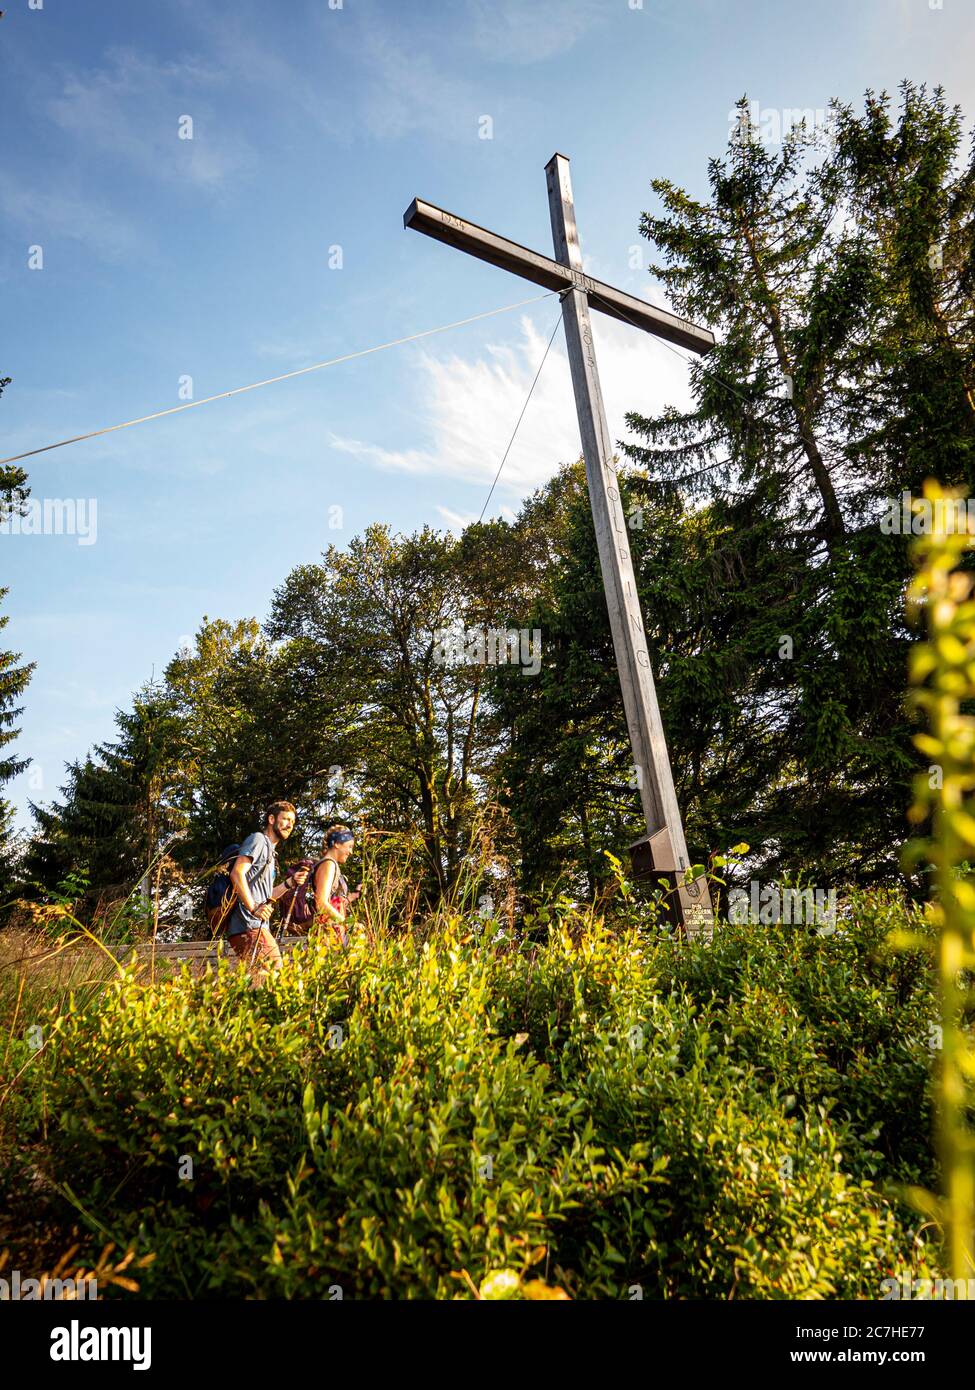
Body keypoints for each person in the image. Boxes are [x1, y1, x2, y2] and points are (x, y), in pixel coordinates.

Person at [227, 801, 309, 981]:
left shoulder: (271, 852)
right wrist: (254, 907)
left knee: (260, 982)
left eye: (293, 822)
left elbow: (267, 896)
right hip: (249, 926)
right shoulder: (258, 840)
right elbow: (237, 873)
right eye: (286, 819)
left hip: (254, 927)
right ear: (271, 819)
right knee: (277, 977)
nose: (290, 825)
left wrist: (289, 883)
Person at [312, 825, 361, 947]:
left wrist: (353, 896)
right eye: (349, 846)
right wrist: (346, 923)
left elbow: (333, 899)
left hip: (333, 931)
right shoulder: (329, 864)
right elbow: (321, 902)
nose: (351, 852)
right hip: (327, 934)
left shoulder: (330, 864)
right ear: (337, 844)